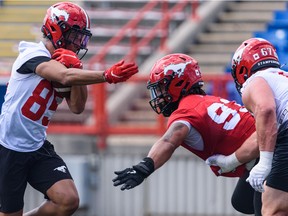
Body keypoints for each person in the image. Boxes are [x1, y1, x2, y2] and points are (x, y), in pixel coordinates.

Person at [0, 2, 138, 216]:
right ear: (56, 30)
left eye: (80, 38)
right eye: (74, 36)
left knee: (68, 200)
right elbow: (63, 76)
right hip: (8, 147)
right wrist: (106, 75)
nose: (77, 43)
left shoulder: (65, 64)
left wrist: (76, 68)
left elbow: (76, 106)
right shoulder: (31, 53)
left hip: (36, 146)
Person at [112, 53, 262, 215]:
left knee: (265, 207)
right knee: (243, 201)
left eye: (161, 88)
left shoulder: (186, 109)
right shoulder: (204, 101)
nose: (159, 96)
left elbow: (170, 140)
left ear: (178, 83)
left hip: (268, 150)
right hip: (261, 152)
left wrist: (144, 167)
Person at [210, 37, 287, 216]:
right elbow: (261, 136)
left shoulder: (255, 81)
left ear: (242, 69)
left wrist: (265, 163)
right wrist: (230, 161)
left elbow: (266, 110)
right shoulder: (282, 79)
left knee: (274, 209)